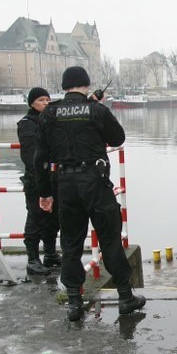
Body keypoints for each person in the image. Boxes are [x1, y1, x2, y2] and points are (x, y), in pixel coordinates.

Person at [36, 66, 145, 322]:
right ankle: (125, 297)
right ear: (86, 85)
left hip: (65, 183)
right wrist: (97, 110)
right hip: (94, 182)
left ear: (64, 86)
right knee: (110, 239)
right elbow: (118, 138)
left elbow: (39, 157)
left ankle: (74, 302)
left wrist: (45, 193)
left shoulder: (50, 112)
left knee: (71, 243)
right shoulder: (96, 110)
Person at [18, 87, 60, 276]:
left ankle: (50, 254)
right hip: (36, 180)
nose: (46, 103)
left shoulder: (50, 122)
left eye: (48, 100)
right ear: (32, 102)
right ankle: (32, 259)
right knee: (35, 218)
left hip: (53, 178)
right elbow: (30, 155)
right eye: (42, 100)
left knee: (54, 218)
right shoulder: (27, 124)